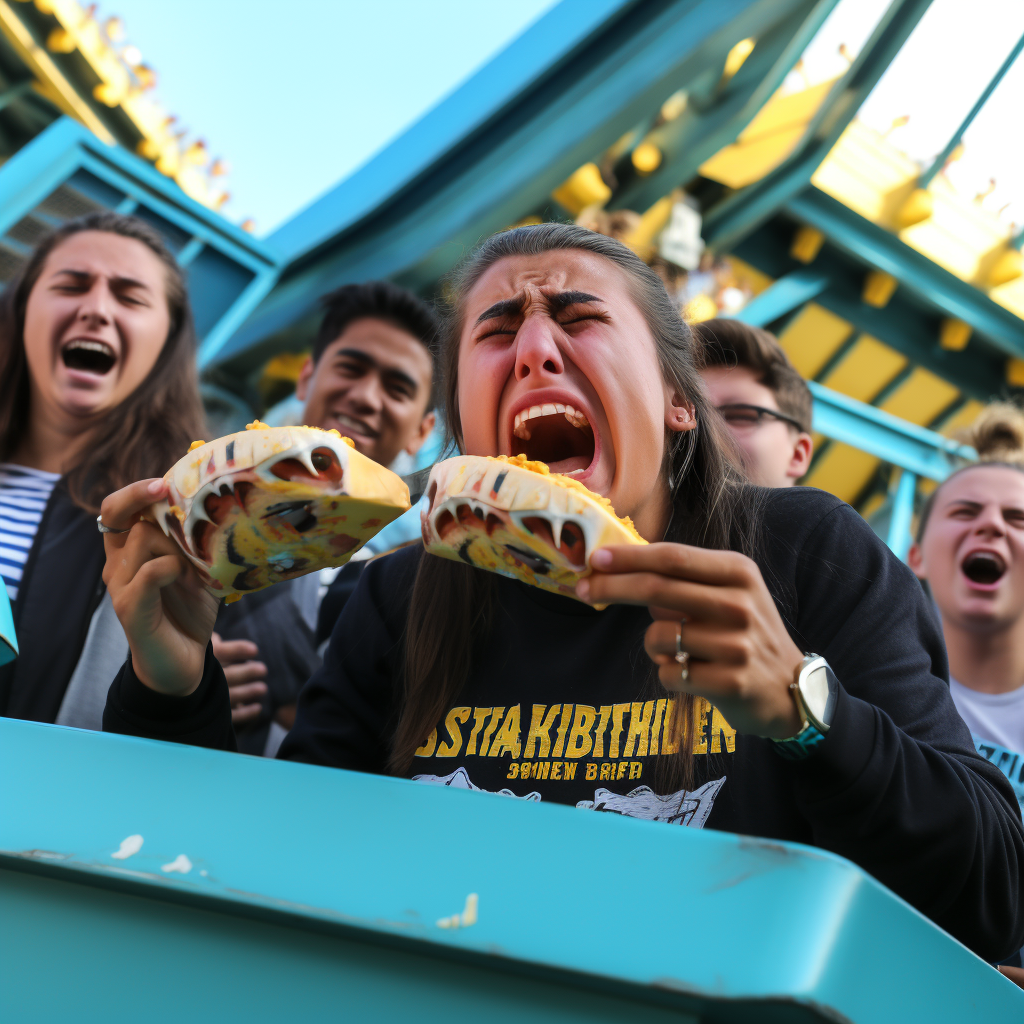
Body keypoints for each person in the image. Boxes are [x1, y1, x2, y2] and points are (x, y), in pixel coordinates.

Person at [100, 223, 1022, 962]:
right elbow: (269, 897)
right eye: (496, 333)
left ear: (676, 402)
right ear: (462, 422)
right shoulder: (400, 598)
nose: (536, 349)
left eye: (578, 319)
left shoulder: (806, 550)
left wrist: (806, 709)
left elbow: (991, 892)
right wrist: (170, 691)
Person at [213, 281, 438, 755]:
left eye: (397, 388)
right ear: (306, 378)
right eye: (350, 369)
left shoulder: (407, 585)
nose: (365, 397)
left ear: (422, 430)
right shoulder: (202, 510)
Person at [0, 212, 204, 727]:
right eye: (71, 285)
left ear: (167, 340)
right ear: (22, 312)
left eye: (130, 297)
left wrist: (187, 697)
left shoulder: (190, 526)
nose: (95, 309)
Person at [907, 405, 1024, 978]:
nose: (993, 527)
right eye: (965, 510)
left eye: (1019, 518)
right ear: (916, 556)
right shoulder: (848, 692)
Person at [694, 319, 813, 487]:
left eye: (739, 415)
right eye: (692, 416)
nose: (704, 430)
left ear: (797, 455)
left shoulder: (831, 513)